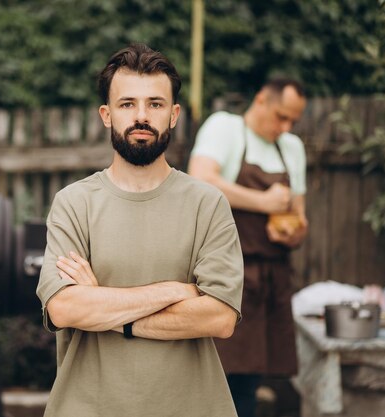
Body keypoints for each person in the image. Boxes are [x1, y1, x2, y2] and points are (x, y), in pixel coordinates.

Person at [36, 43, 244, 417]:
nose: (141, 116)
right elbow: (65, 307)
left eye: (156, 104)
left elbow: (219, 317)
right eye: (127, 104)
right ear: (106, 114)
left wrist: (105, 305)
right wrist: (174, 291)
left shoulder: (207, 204)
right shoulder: (74, 203)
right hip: (87, 408)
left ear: (174, 115)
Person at [187, 78, 308, 417]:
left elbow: (299, 215)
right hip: (225, 275)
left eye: (292, 122)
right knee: (216, 374)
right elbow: (201, 180)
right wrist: (264, 201)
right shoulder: (225, 128)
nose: (285, 127)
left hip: (271, 277)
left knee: (250, 379)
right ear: (260, 101)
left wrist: (294, 233)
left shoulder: (292, 148)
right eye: (281, 117)